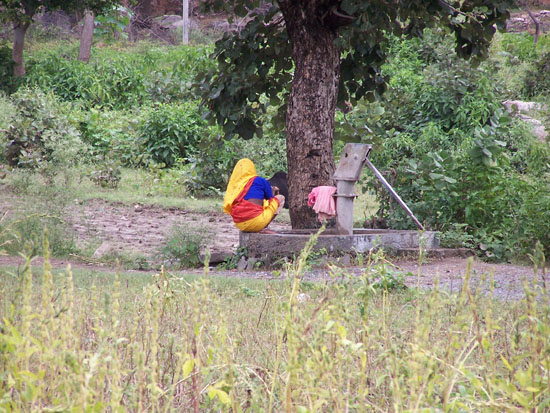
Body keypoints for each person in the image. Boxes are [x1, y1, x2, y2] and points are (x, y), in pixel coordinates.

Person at [223, 158, 285, 232]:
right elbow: (270, 199)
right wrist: (273, 191)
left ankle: (258, 224)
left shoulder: (235, 186)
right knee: (280, 198)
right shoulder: (260, 180)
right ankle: (264, 226)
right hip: (256, 222)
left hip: (239, 224)